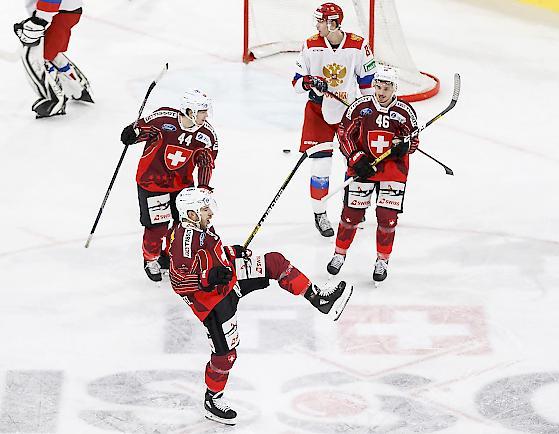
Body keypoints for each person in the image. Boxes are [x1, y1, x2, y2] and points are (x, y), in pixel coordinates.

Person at [168, 187, 353, 425]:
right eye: (205, 210)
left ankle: (319, 298)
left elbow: (213, 256)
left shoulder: (203, 228)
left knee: (274, 262)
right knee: (226, 356)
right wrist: (207, 278)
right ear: (190, 214)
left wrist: (231, 253)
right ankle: (213, 399)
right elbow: (179, 282)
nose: (210, 213)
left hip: (230, 278)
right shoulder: (183, 241)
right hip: (213, 303)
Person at [326, 64, 419, 283]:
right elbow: (343, 134)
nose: (381, 92)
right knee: (351, 215)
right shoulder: (360, 107)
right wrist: (356, 158)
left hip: (392, 172)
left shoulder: (405, 112)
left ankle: (382, 261)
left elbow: (413, 140)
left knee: (387, 219)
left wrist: (403, 147)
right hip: (364, 168)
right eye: (378, 86)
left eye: (387, 88)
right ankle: (339, 254)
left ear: (394, 88)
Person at [292, 2, 376, 237]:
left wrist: (370, 113)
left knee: (357, 163)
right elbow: (297, 84)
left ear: (333, 23)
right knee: (321, 166)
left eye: (320, 21)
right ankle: (320, 214)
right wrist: (309, 82)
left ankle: (355, 209)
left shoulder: (358, 45)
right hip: (318, 112)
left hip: (349, 113)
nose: (316, 25)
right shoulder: (310, 44)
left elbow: (367, 83)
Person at [120, 89, 218, 282]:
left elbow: (206, 161)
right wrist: (132, 133)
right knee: (157, 227)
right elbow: (143, 128)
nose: (206, 116)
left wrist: (203, 187)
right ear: (190, 111)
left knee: (182, 224)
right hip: (152, 182)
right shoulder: (163, 119)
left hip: (182, 185)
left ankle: (169, 254)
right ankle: (151, 258)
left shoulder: (206, 135)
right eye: (202, 111)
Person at [14, 0, 94, 118]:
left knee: (34, 54)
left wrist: (41, 19)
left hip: (58, 13)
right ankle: (77, 86)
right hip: (58, 13)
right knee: (48, 54)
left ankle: (55, 100)